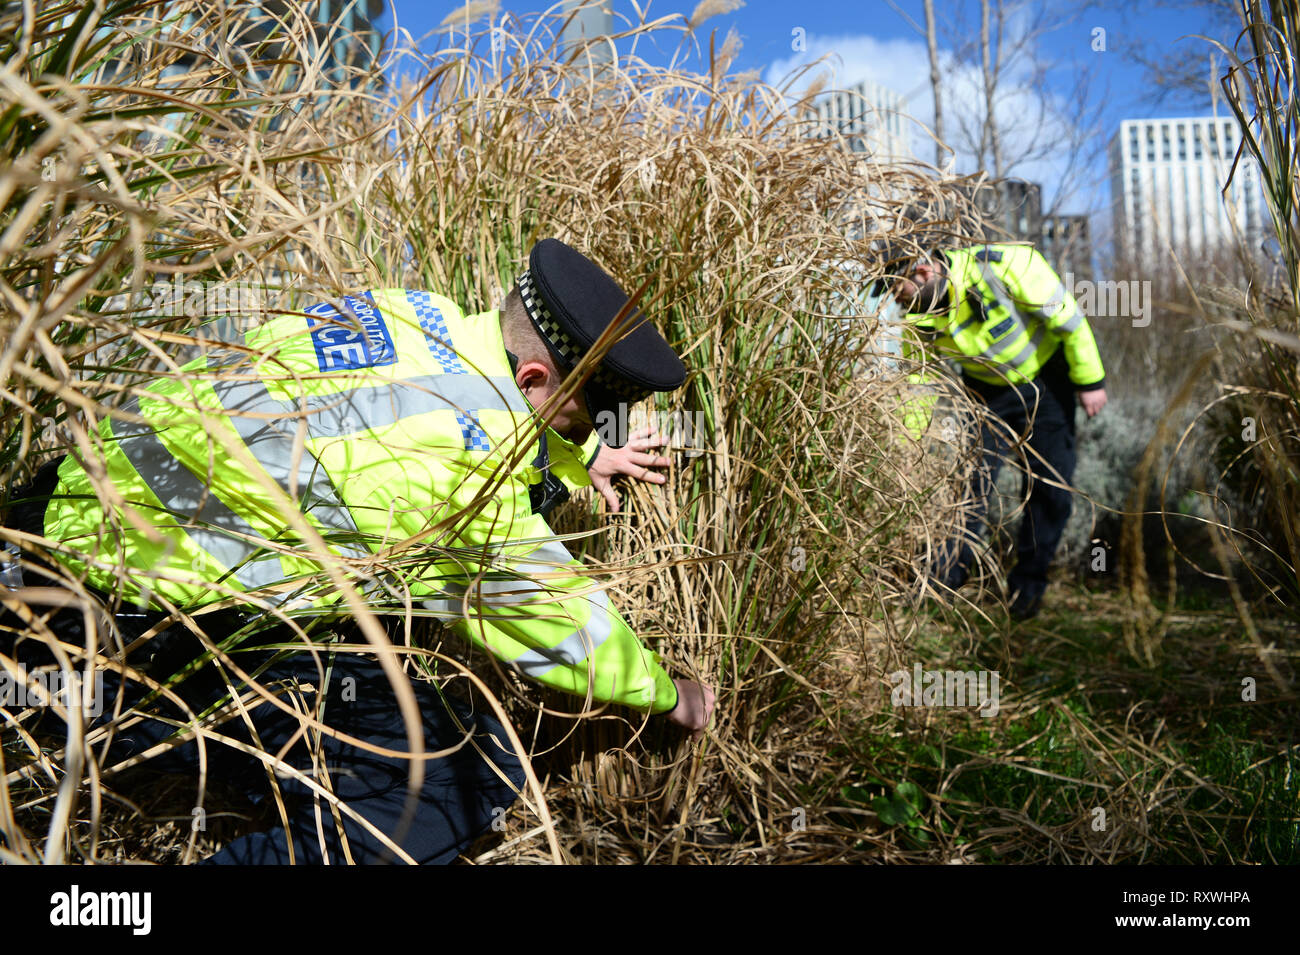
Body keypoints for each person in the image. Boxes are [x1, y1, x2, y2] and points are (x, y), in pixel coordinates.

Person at [0, 237, 715, 863]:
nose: (597, 431)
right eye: (588, 413)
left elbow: (437, 417)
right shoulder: (459, 461)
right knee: (453, 779)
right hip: (106, 632)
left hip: (54, 515)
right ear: (534, 380)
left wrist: (571, 452)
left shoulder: (416, 311)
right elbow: (561, 620)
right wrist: (669, 695)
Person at [881, 241, 1108, 620]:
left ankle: (1026, 593)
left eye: (897, 290)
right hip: (985, 396)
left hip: (1046, 385)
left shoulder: (1004, 265)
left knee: (1050, 489)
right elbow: (917, 381)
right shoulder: (919, 315)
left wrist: (1090, 381)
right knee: (971, 489)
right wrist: (912, 436)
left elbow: (1069, 320)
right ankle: (941, 584)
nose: (896, 302)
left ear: (922, 272)